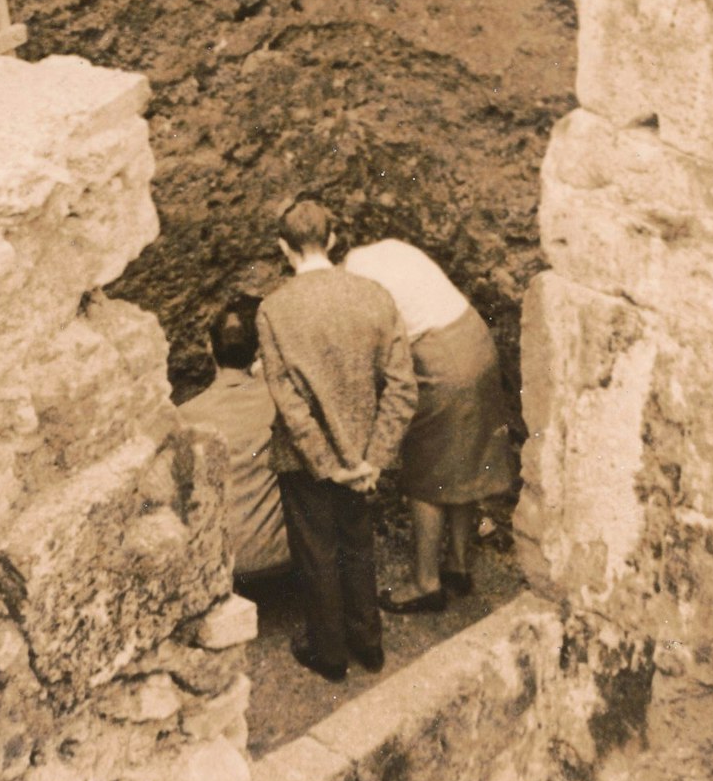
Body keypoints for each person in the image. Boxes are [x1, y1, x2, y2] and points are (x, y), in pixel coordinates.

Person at [256, 198, 417, 684]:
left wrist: (327, 463)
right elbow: (403, 388)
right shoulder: (375, 295)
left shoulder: (273, 310)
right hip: (364, 453)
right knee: (358, 543)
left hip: (306, 460)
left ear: (283, 247)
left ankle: (329, 652)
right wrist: (374, 459)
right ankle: (368, 643)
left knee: (317, 552)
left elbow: (289, 404)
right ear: (331, 239)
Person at [341, 236, 516, 613]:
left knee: (426, 475)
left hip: (442, 361)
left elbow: (371, 355)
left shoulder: (354, 282)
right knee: (463, 460)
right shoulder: (383, 250)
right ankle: (457, 565)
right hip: (475, 341)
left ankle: (425, 583)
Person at [176, 304, 291, 585]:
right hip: (278, 558)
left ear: (209, 348)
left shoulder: (186, 415)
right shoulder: (277, 401)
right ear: (257, 351)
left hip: (218, 563)